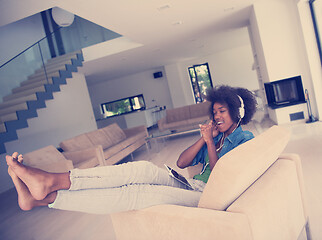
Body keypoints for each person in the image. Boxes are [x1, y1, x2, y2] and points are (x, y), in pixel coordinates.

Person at [6, 85, 257, 215]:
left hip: (207, 197)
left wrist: (211, 143)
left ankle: (46, 198)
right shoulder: (217, 138)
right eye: (214, 112)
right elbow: (182, 163)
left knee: (137, 194)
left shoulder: (245, 139)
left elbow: (221, 175)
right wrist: (205, 139)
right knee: (141, 169)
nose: (216, 116)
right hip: (190, 184)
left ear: (237, 113)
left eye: (221, 111)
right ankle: (50, 182)